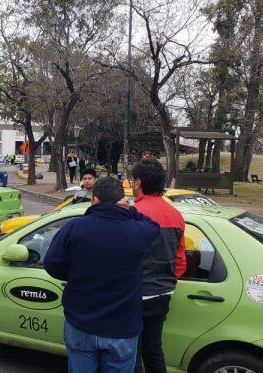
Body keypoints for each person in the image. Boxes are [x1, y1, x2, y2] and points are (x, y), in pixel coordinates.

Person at [44, 177, 160, 373]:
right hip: (122, 328)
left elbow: (52, 265)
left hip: (81, 323)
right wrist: (130, 211)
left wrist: (74, 274)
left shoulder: (74, 228)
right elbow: (154, 226)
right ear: (122, 200)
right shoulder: (137, 231)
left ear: (94, 199)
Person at [132, 159, 186, 373]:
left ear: (138, 182)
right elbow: (180, 260)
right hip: (163, 292)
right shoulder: (176, 215)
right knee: (153, 349)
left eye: (133, 179)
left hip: (136, 293)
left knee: (132, 351)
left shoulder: (134, 213)